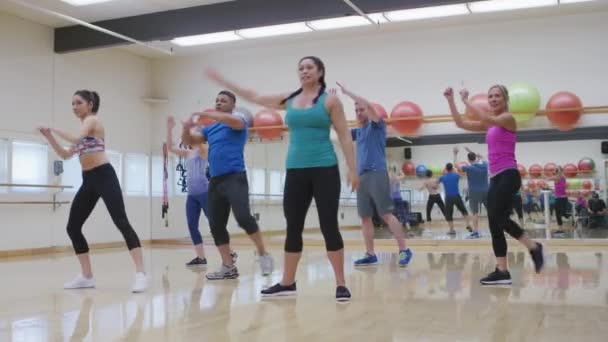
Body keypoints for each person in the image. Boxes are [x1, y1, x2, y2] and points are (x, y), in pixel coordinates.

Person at [205, 56, 359, 301]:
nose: (304, 71)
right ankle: (288, 283)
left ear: (320, 72)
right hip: (295, 170)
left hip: (324, 168)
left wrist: (353, 169)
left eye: (309, 67)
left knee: (329, 225)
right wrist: (224, 81)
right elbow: (254, 96)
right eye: (300, 68)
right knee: (293, 227)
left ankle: (340, 283)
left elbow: (344, 136)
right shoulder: (290, 99)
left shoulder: (330, 101)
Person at [39, 90, 147, 292]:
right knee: (73, 227)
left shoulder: (92, 121)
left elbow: (76, 139)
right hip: (88, 180)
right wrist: (49, 137)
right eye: (72, 103)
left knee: (121, 221)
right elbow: (64, 154)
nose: (74, 107)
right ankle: (87, 276)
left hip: (105, 176)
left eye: (78, 103)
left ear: (89, 104)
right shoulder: (83, 128)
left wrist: (54, 128)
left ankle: (141, 274)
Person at [445, 85, 544, 285]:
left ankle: (533, 246)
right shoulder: (489, 124)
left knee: (498, 217)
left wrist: (466, 101)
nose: (493, 99)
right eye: (490, 96)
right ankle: (502, 271)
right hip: (496, 177)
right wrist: (451, 100)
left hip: (509, 174)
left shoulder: (507, 118)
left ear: (505, 98)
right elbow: (460, 122)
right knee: (494, 223)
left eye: (497, 96)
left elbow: (489, 118)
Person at [181, 90, 274, 280]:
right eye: (216, 100)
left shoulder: (238, 122)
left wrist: (207, 114)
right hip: (215, 182)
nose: (218, 103)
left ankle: (263, 254)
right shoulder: (210, 129)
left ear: (233, 106)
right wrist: (186, 127)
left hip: (235, 177)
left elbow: (235, 122)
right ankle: (228, 267)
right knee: (216, 225)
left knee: (243, 218)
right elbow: (189, 141)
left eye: (223, 101)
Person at [334, 82, 412, 267]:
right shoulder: (358, 132)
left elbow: (368, 106)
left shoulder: (377, 126)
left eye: (361, 109)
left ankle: (404, 250)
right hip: (361, 177)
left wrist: (348, 92)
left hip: (377, 173)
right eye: (356, 110)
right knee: (365, 217)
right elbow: (338, 127)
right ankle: (370, 254)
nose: (359, 112)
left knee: (386, 215)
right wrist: (332, 101)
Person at [166, 116, 237, 267]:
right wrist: (169, 129)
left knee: (215, 224)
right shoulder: (188, 153)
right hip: (192, 195)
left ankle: (230, 252)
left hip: (205, 193)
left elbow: (201, 143)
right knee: (192, 225)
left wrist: (197, 126)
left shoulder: (202, 151)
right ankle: (200, 257)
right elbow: (171, 148)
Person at [454, 146, 488, 238]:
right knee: (491, 211)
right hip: (486, 191)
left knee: (475, 213)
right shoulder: (485, 165)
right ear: (476, 158)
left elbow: (456, 166)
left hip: (474, 192)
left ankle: (476, 232)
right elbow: (481, 156)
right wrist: (470, 151)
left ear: (468, 160)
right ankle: (498, 229)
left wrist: (455, 154)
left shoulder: (469, 168)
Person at [439, 163, 471, 235]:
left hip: (448, 198)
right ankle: (468, 225)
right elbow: (463, 176)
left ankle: (452, 230)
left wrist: (443, 173)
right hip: (456, 196)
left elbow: (436, 183)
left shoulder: (442, 177)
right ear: (452, 169)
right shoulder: (456, 175)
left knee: (449, 214)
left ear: (446, 169)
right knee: (464, 211)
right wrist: (455, 171)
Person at [551, 167, 568, 234]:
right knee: (560, 214)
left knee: (558, 214)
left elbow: (547, 178)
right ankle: (560, 228)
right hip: (564, 198)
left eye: (555, 170)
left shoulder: (557, 178)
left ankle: (560, 229)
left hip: (559, 199)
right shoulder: (563, 177)